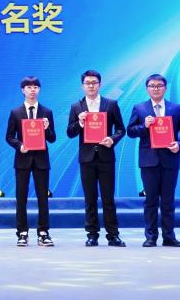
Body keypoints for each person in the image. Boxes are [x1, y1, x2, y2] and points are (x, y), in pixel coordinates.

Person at [127, 73, 180, 247]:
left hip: (170, 160)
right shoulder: (139, 108)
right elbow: (130, 131)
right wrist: (144, 126)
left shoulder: (176, 108)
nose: (155, 89)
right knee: (150, 201)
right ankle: (150, 237)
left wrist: (179, 145)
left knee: (168, 201)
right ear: (147, 89)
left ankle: (169, 237)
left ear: (165, 88)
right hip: (148, 161)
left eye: (159, 86)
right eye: (152, 86)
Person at [66, 70, 126, 247]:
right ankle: (92, 234)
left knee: (108, 198)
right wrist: (80, 123)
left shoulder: (111, 104)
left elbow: (121, 129)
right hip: (87, 158)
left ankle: (113, 235)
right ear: (82, 86)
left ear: (100, 84)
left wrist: (112, 139)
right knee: (90, 198)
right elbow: (70, 132)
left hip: (106, 157)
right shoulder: (76, 107)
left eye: (94, 82)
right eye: (87, 83)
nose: (91, 86)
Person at [5, 76, 56, 247]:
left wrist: (47, 128)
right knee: (21, 198)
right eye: (28, 87)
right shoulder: (15, 112)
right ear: (23, 90)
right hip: (22, 159)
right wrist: (19, 145)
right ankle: (22, 232)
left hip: (41, 160)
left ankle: (43, 232)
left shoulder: (47, 112)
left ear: (39, 89)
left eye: (35, 87)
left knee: (43, 198)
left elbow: (52, 138)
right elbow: (9, 136)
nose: (32, 90)